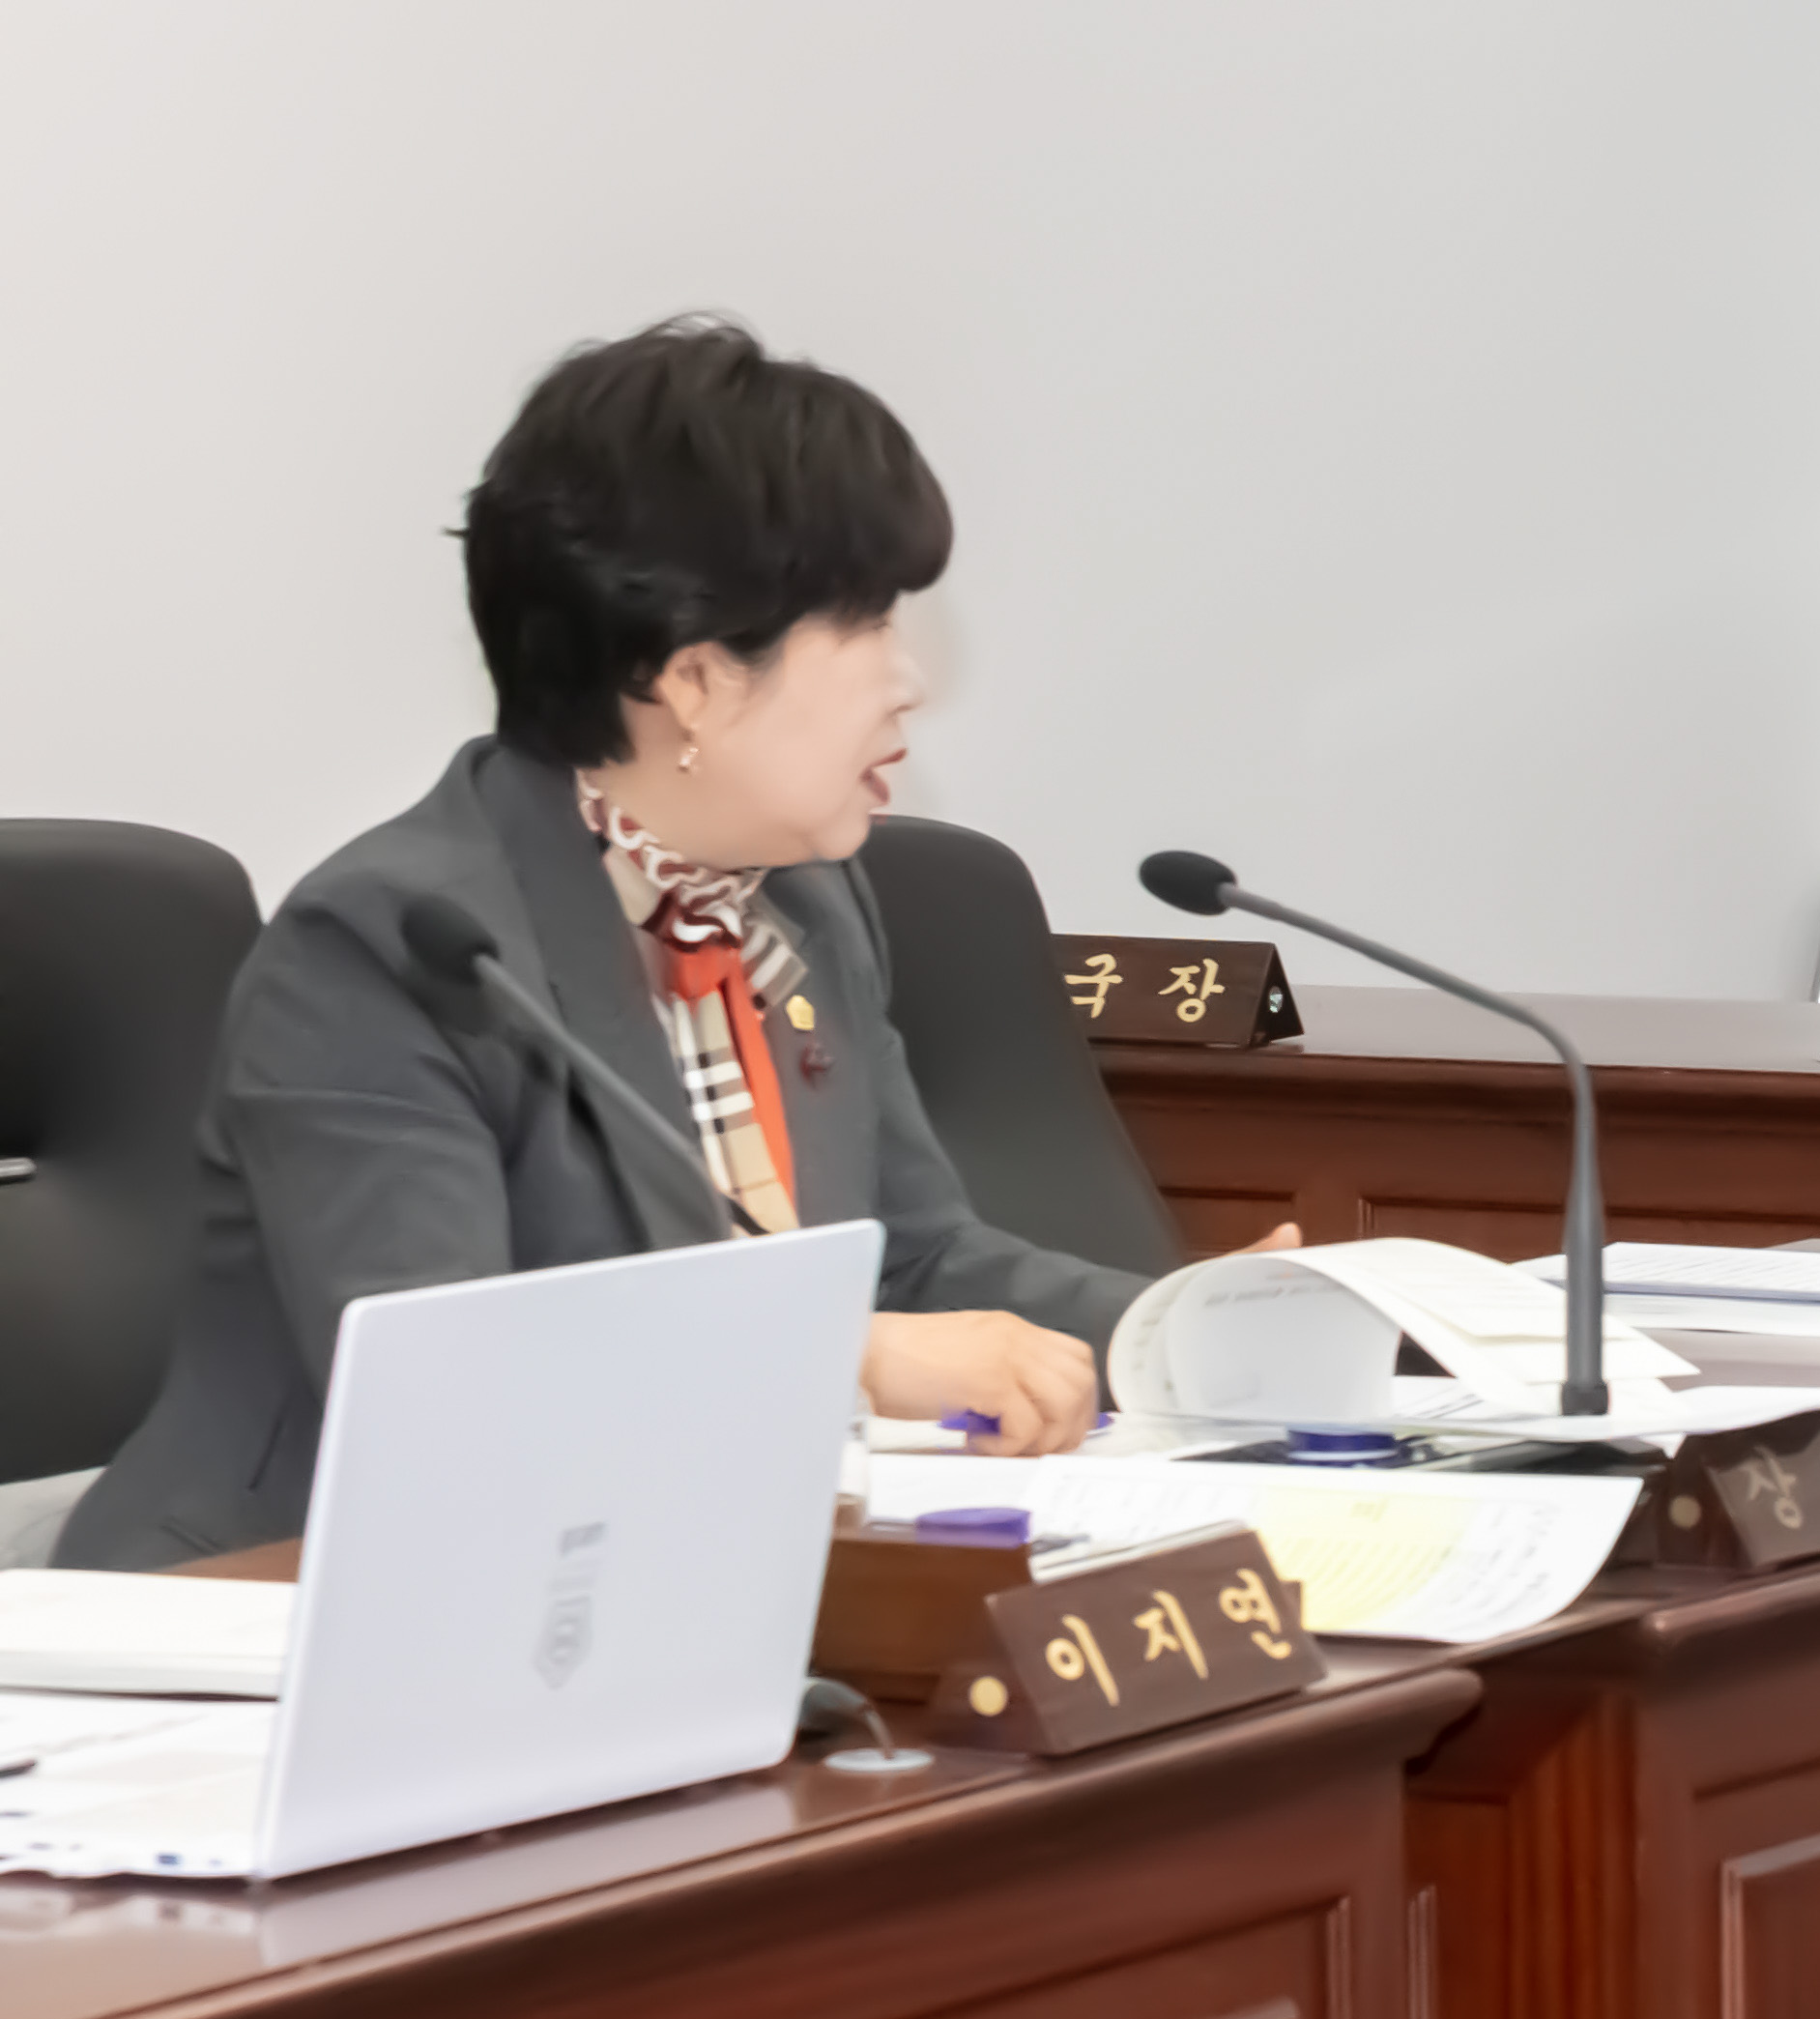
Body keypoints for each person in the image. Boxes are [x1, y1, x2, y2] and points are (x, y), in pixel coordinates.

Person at [69, 322, 1165, 1565]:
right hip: (277, 1597)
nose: (908, 679)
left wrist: (1188, 1333)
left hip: (663, 1559)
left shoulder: (803, 903)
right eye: (865, 623)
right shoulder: (393, 948)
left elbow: (913, 1264)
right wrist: (846, 1358)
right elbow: (442, 1385)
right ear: (692, 681)